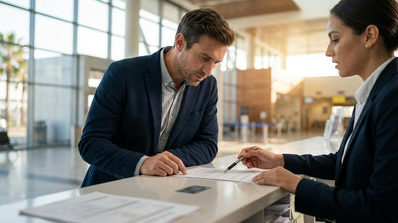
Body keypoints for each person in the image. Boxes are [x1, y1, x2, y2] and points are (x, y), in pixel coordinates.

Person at [238, 0, 398, 222]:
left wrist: (297, 184)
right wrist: (280, 160)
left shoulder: (392, 96)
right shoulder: (374, 93)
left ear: (369, 36)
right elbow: (343, 162)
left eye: (335, 39)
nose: (327, 51)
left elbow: (381, 208)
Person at [79, 8, 235, 187]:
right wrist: (143, 163)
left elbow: (207, 144)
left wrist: (165, 162)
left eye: (216, 62)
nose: (208, 71)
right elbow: (91, 144)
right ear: (180, 42)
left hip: (165, 192)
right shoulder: (122, 74)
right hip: (109, 191)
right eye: (204, 58)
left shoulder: (207, 86)